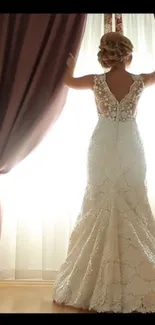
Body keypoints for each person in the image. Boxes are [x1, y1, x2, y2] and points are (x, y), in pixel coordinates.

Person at [53, 32, 155, 313]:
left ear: (106, 55)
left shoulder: (95, 81)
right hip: (131, 147)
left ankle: (93, 278)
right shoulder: (140, 81)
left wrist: (70, 64)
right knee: (132, 199)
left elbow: (67, 82)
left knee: (101, 199)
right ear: (127, 54)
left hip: (103, 145)